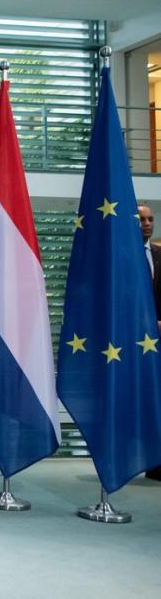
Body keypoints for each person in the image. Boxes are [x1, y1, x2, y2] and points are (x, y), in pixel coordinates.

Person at [140, 204, 161, 481]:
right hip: (130, 345)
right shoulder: (120, 255)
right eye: (142, 219)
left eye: (150, 219)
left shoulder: (159, 254)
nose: (146, 223)